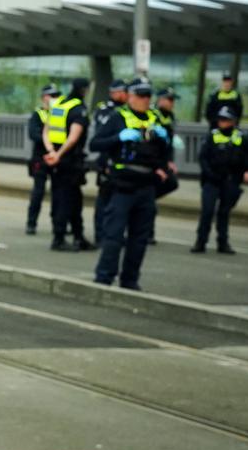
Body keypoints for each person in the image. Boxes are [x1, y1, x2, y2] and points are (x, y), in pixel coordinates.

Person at [90, 78, 170, 290]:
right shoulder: (118, 118)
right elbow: (96, 143)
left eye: (148, 96)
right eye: (141, 96)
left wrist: (165, 145)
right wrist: (119, 138)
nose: (145, 100)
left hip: (147, 185)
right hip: (123, 184)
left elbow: (163, 152)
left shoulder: (155, 120)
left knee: (140, 238)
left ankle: (130, 279)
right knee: (114, 234)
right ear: (130, 97)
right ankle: (104, 277)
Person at [43, 77, 94, 251]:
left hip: (56, 160)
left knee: (68, 198)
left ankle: (78, 236)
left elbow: (46, 131)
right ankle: (59, 238)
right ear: (84, 90)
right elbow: (73, 137)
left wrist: (51, 152)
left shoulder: (59, 105)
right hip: (70, 161)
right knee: (68, 200)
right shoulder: (78, 109)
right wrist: (59, 154)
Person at [192, 106, 248, 254]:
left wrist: (246, 171)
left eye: (225, 119)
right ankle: (201, 241)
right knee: (207, 211)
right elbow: (203, 158)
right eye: (220, 119)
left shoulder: (240, 137)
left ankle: (223, 243)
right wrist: (209, 174)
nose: (222, 122)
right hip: (212, 180)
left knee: (224, 213)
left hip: (230, 180)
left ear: (233, 121)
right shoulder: (212, 136)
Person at [91, 79, 128, 243]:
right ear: (115, 93)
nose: (126, 95)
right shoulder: (105, 110)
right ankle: (100, 234)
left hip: (122, 163)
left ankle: (115, 234)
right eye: (124, 92)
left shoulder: (126, 111)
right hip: (106, 161)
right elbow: (101, 138)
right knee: (104, 200)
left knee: (119, 202)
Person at [26, 83, 59, 234]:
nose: (53, 98)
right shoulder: (38, 114)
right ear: (43, 98)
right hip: (40, 158)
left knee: (58, 192)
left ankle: (57, 224)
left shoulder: (59, 114)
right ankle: (31, 223)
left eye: (56, 96)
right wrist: (49, 142)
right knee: (38, 192)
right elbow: (33, 134)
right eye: (50, 96)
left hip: (56, 157)